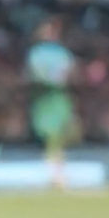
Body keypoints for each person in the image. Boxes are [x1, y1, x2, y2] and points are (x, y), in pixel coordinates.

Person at [25, 19, 75, 191]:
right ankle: (54, 174)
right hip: (44, 100)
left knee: (59, 136)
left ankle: (57, 173)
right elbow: (37, 75)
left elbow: (68, 73)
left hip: (57, 99)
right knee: (49, 136)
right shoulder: (36, 53)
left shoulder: (62, 52)